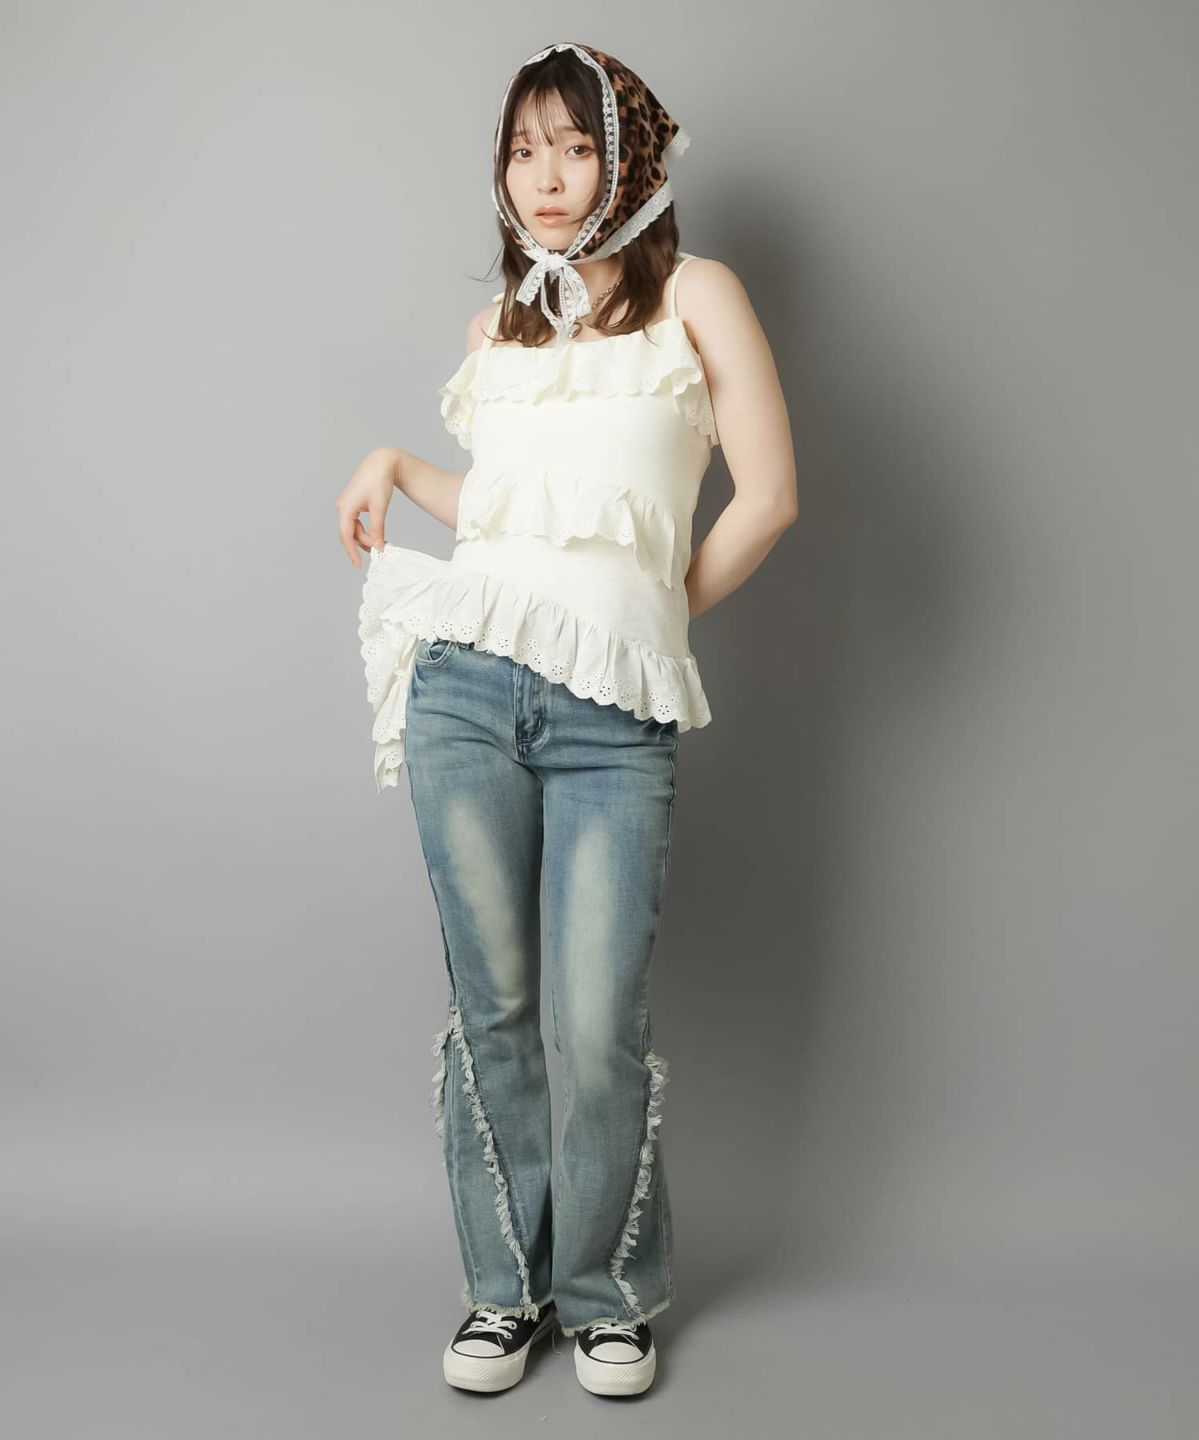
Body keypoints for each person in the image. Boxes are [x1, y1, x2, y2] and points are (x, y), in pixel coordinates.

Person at [336, 40, 797, 1397]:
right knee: (495, 1010)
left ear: (627, 160)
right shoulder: (506, 325)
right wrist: (395, 463)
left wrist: (644, 623)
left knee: (597, 1024)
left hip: (609, 717)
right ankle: (505, 1292)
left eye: (575, 146)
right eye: (524, 149)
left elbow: (768, 497)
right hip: (466, 688)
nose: (545, 175)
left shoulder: (699, 295)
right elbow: (512, 515)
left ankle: (607, 1298)